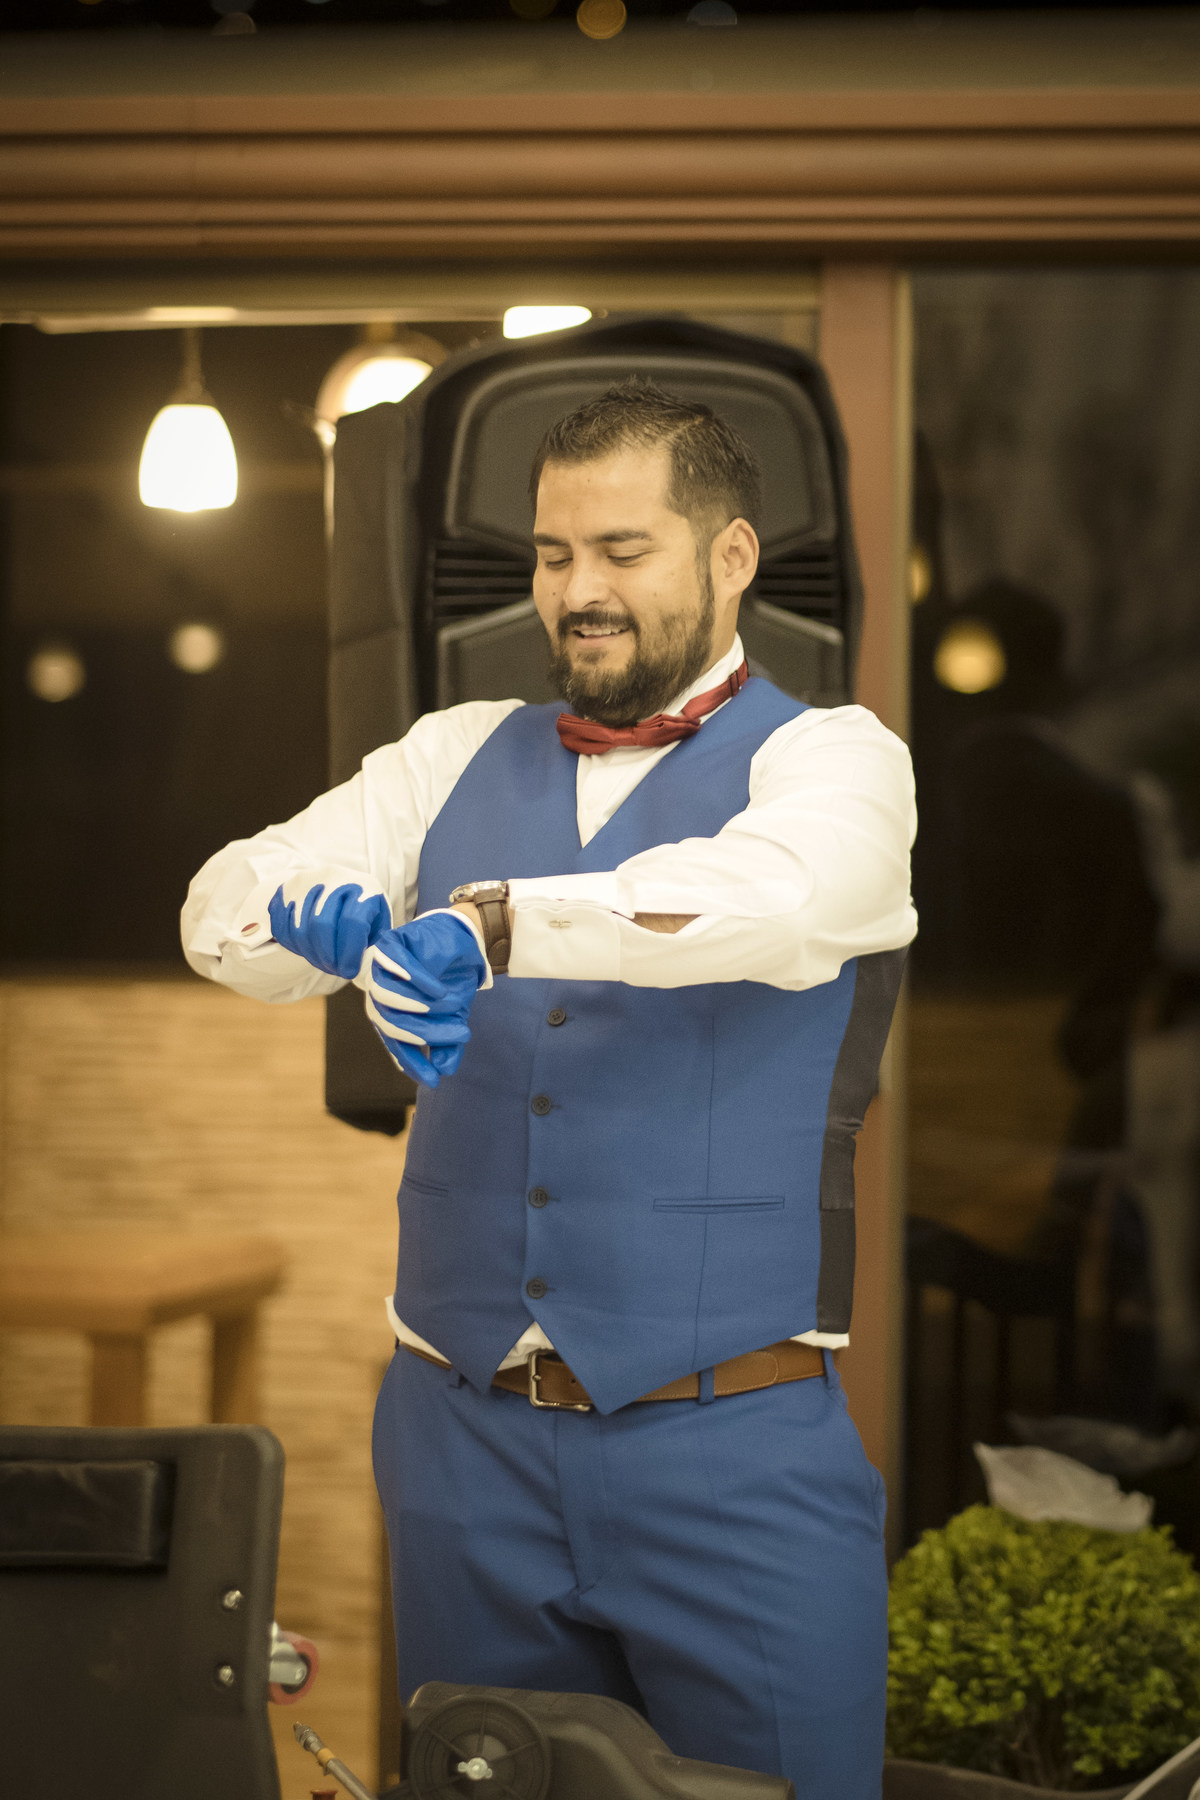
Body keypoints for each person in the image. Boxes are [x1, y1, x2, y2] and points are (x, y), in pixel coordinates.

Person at [182, 379, 917, 1800]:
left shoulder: (837, 762)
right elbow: (220, 902)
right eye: (550, 553)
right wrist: (312, 923)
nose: (577, 592)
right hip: (461, 1448)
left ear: (730, 558)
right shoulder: (449, 753)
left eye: (622, 552)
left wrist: (491, 923)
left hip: (732, 1450)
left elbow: (766, 901)